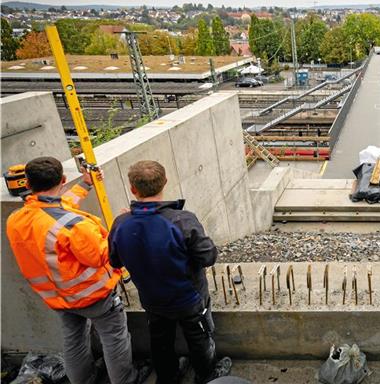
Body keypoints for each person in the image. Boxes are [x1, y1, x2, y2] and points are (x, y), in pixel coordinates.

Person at [6, 156, 149, 384]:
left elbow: (57, 207)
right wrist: (120, 223)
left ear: (28, 185)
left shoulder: (17, 219)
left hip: (58, 298)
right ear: (62, 179)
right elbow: (105, 255)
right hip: (94, 296)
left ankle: (83, 380)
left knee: (73, 341)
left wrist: (85, 184)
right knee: (114, 339)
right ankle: (126, 380)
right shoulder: (73, 226)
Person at [108, 160, 232, 384]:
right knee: (199, 337)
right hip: (189, 298)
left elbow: (114, 260)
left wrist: (129, 222)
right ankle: (206, 375)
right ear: (165, 182)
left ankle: (168, 377)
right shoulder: (181, 220)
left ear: (133, 189)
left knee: (160, 341)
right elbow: (208, 257)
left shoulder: (120, 224)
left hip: (152, 299)